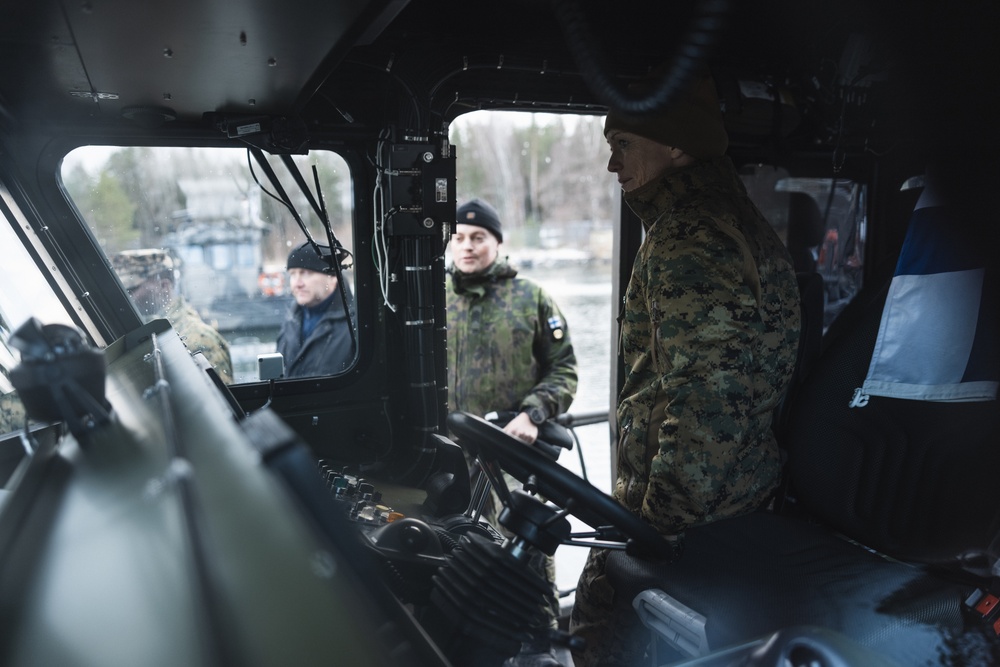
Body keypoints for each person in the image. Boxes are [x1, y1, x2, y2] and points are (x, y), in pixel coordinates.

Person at [569, 73, 802, 666]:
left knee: (598, 629)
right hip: (733, 498)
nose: (610, 164)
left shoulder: (690, 235)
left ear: (674, 145)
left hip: (695, 514)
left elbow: (707, 406)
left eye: (622, 143)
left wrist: (655, 530)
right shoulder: (727, 217)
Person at [446, 198, 579, 653]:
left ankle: (541, 645)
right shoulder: (430, 299)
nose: (467, 247)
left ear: (497, 243)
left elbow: (564, 371)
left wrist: (533, 414)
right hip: (445, 449)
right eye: (459, 238)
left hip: (510, 451)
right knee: (447, 546)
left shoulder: (532, 299)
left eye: (478, 237)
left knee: (523, 550)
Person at [113, 249, 234, 384]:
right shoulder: (143, 331)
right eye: (124, 290)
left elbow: (220, 401)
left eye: (133, 289)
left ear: (164, 286)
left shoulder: (199, 338)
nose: (127, 296)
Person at [275, 241, 355, 378]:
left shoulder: (355, 326)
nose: (297, 283)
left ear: (333, 277)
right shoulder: (290, 322)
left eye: (305, 273)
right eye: (292, 274)